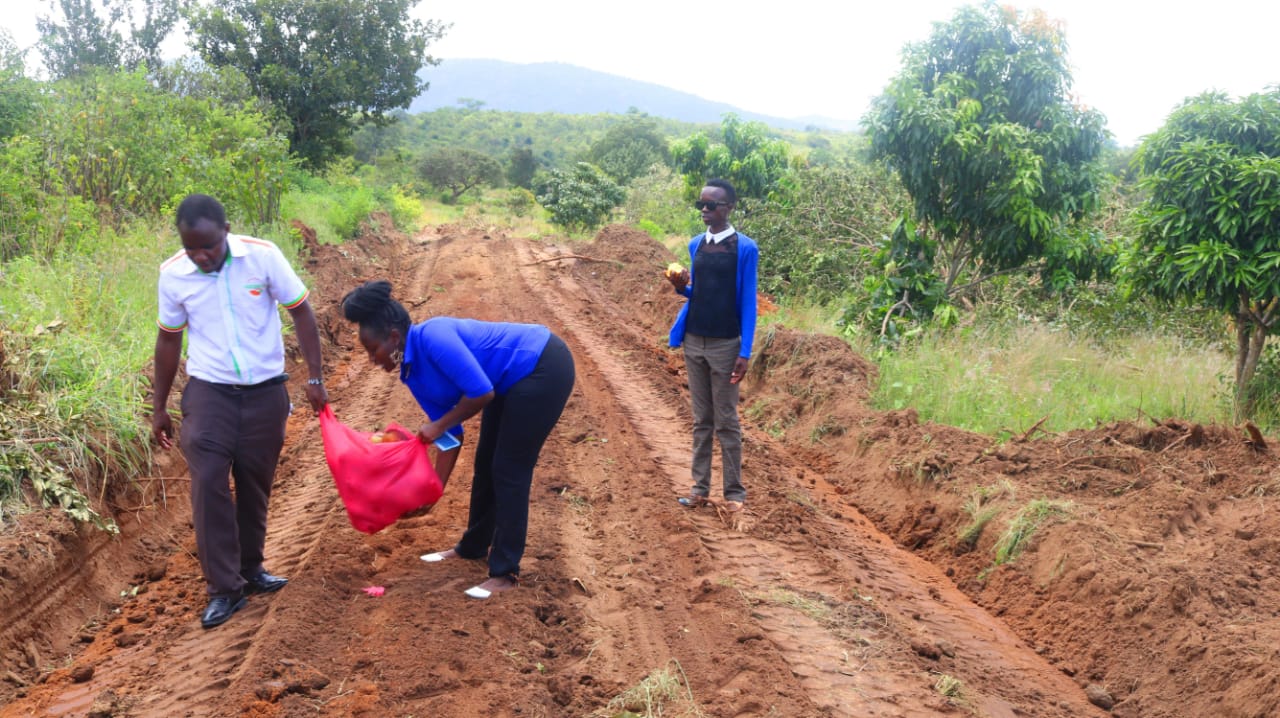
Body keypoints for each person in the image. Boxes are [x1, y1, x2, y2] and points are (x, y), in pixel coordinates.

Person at [151, 193, 328, 629]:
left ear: (225, 231)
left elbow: (301, 312)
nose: (201, 256)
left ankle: (251, 570)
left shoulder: (263, 258)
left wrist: (315, 377)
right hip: (209, 393)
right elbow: (168, 339)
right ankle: (223, 590)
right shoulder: (174, 275)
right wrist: (159, 406)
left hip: (266, 391)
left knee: (255, 483)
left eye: (208, 246)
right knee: (209, 483)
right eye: (192, 248)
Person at [340, 280, 575, 599]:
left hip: (542, 365)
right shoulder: (412, 373)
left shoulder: (434, 337)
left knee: (509, 469)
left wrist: (437, 426)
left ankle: (505, 572)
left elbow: (480, 393)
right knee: (485, 464)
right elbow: (452, 435)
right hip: (508, 382)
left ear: (394, 338)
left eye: (373, 350)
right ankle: (473, 546)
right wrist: (434, 491)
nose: (372, 359)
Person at [666, 178, 758, 513]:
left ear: (729, 207)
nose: (705, 210)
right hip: (694, 341)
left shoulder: (745, 248)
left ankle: (734, 494)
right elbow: (699, 294)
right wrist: (681, 288)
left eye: (712, 205)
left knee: (726, 421)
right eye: (701, 204)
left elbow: (748, 303)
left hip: (725, 345)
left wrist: (745, 352)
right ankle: (699, 489)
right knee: (701, 419)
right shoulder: (695, 245)